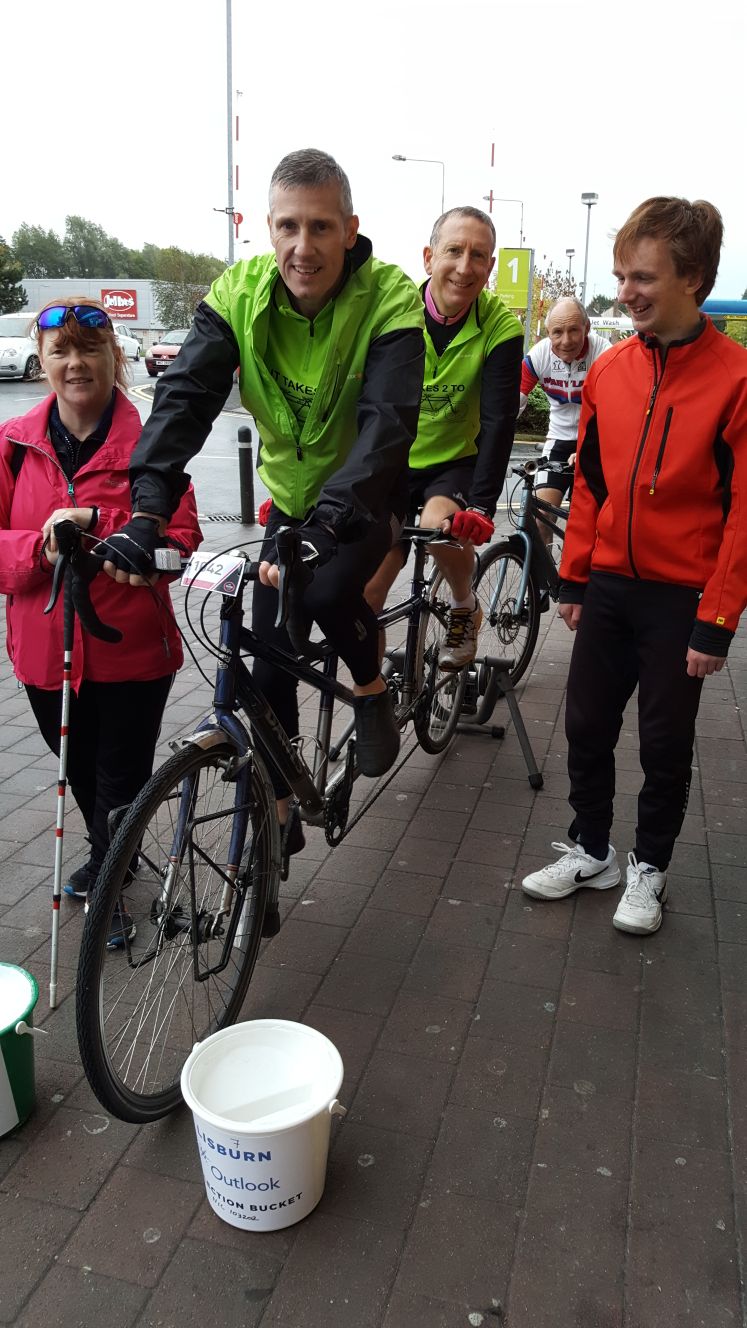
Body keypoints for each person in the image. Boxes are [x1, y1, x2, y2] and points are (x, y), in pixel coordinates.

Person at [101, 148, 425, 841]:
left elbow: (387, 423)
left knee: (327, 593)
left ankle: (371, 691)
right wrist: (147, 510)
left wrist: (332, 520)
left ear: (350, 229)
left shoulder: (390, 296)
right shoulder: (238, 294)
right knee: (269, 653)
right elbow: (184, 398)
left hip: (364, 498)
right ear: (268, 228)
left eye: (320, 227)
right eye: (288, 227)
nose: (303, 247)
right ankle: (279, 809)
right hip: (291, 502)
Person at [522, 197, 747, 935]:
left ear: (693, 277)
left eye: (642, 277)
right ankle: (592, 849)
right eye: (621, 276)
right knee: (585, 723)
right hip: (610, 585)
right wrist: (574, 576)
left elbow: (743, 513)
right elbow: (589, 483)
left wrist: (717, 620)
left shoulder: (736, 379)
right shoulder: (610, 371)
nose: (625, 293)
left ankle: (650, 865)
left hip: (681, 594)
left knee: (663, 742)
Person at [0, 297, 201, 944]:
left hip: (132, 653)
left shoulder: (152, 446)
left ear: (115, 356)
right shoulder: (13, 446)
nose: (76, 363)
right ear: (43, 361)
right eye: (61, 351)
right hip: (44, 652)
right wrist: (43, 547)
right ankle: (110, 854)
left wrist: (98, 524)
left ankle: (108, 884)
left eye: (90, 349)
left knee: (120, 781)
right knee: (81, 773)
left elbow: (181, 539)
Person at [365, 206, 523, 669]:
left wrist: (482, 507)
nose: (464, 267)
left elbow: (498, 420)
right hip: (393, 460)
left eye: (479, 256)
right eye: (454, 250)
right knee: (366, 594)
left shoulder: (501, 327)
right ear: (429, 257)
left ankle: (463, 604)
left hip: (454, 462)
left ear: (490, 267)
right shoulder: (395, 312)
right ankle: (372, 699)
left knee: (440, 528)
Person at [518, 297, 611, 544]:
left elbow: (615, 412)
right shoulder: (539, 356)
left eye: (574, 330)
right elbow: (512, 405)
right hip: (558, 440)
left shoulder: (604, 354)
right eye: (557, 332)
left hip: (596, 440)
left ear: (587, 328)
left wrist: (589, 448)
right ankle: (544, 571)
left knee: (592, 523)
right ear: (548, 332)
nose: (566, 341)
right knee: (541, 518)